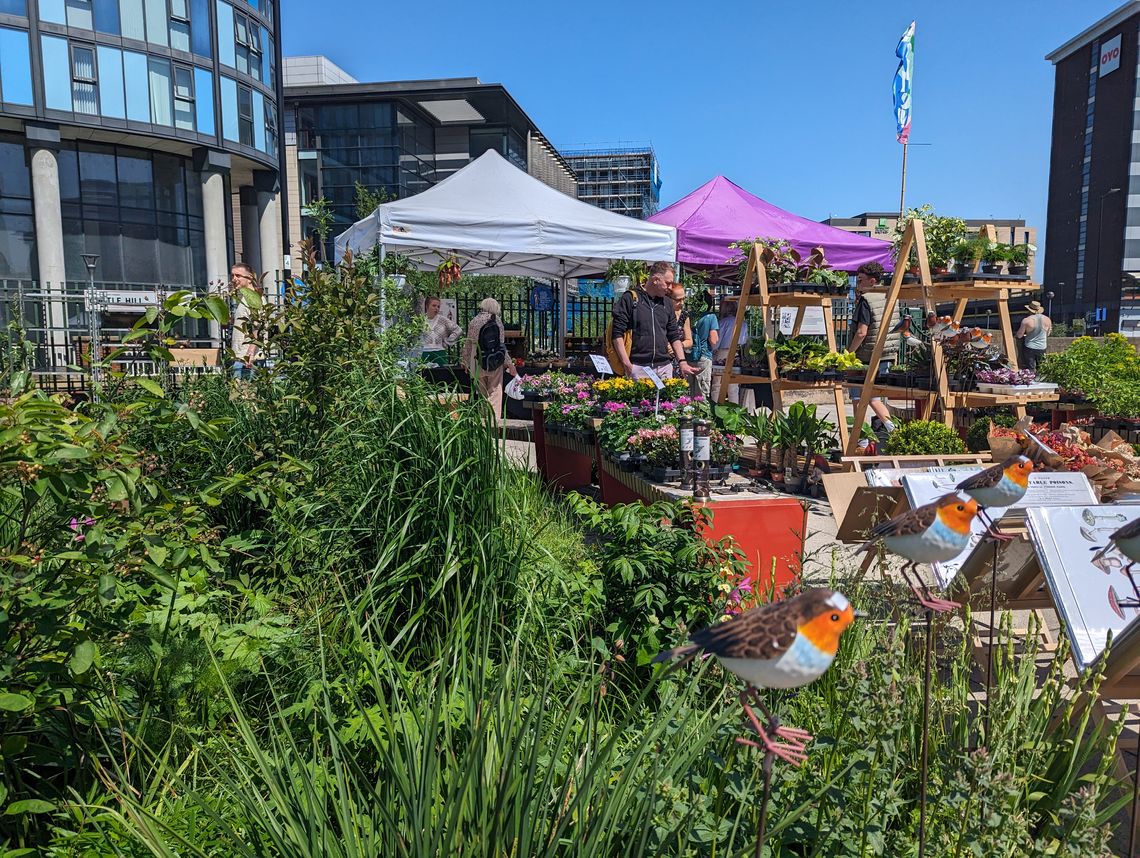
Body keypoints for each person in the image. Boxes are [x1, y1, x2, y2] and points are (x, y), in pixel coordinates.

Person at [611, 262, 697, 380]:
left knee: (666, 398)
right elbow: (617, 334)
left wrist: (682, 362)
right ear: (656, 280)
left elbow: (674, 335)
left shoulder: (666, 303)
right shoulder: (630, 299)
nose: (670, 287)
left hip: (664, 367)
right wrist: (627, 364)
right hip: (638, 367)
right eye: (668, 283)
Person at [848, 262, 898, 440]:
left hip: (866, 355)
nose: (857, 284)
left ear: (872, 281)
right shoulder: (890, 297)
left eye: (860, 280)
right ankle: (893, 429)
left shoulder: (866, 300)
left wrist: (848, 354)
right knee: (875, 397)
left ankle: (860, 441)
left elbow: (862, 332)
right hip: (887, 353)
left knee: (858, 397)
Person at [462, 297, 517, 425]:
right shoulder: (496, 321)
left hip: (476, 358)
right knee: (495, 391)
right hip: (494, 359)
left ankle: (482, 424)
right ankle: (493, 424)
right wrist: (510, 364)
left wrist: (464, 360)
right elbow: (501, 345)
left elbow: (468, 343)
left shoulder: (474, 321)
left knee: (481, 393)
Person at [229, 262, 263, 380]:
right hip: (241, 356)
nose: (234, 279)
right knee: (241, 393)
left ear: (250, 278)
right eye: (232, 276)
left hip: (247, 358)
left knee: (245, 394)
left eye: (238, 276)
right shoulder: (245, 298)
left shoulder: (253, 298)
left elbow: (258, 328)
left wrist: (250, 353)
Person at [687, 290, 719, 401]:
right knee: (702, 393)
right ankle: (701, 415)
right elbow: (713, 340)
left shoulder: (689, 316)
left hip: (688, 356)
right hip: (704, 356)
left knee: (689, 390)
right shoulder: (711, 317)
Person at [419, 297, 461, 365]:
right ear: (427, 306)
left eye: (438, 306)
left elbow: (458, 330)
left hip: (440, 352)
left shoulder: (443, 320)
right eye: (434, 305)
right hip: (424, 352)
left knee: (440, 374)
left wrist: (447, 342)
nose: (436, 308)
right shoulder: (420, 320)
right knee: (424, 374)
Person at [1015, 300, 1052, 372]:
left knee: (1030, 368)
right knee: (1041, 368)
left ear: (1029, 310)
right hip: (1042, 347)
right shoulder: (1048, 319)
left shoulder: (1026, 320)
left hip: (1030, 347)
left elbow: (1019, 335)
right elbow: (1048, 334)